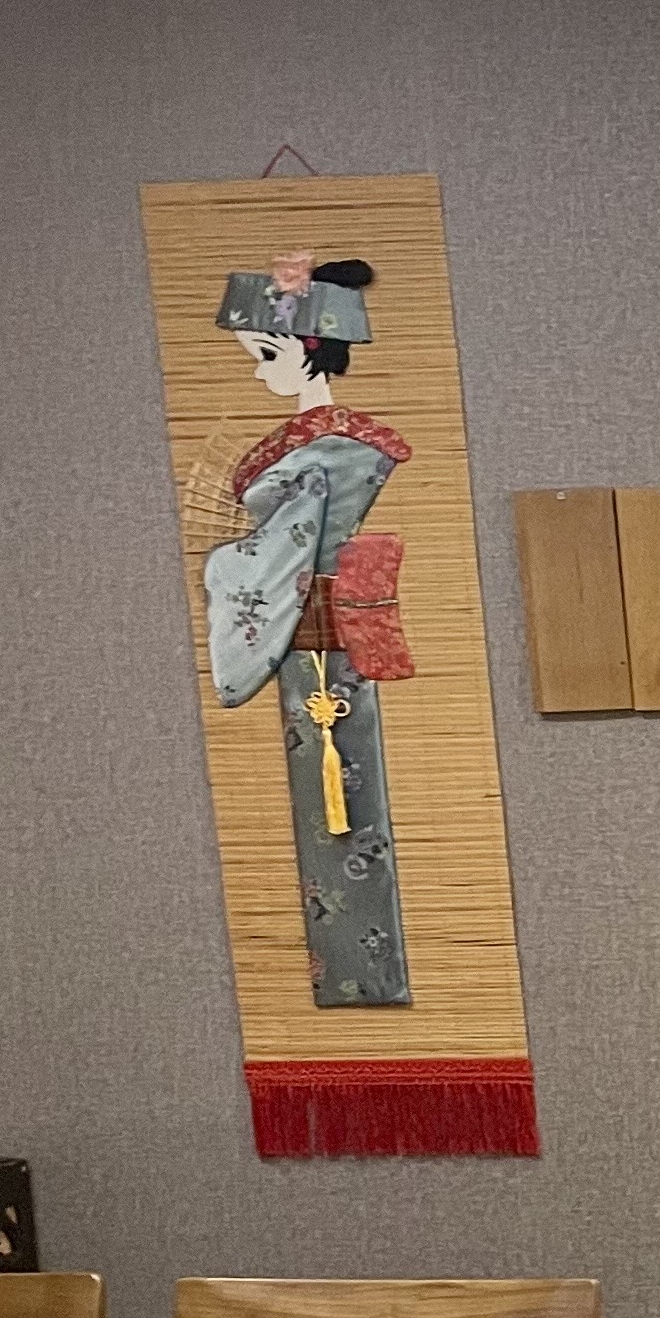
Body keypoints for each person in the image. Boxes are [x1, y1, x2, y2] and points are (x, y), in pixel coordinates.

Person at [203, 251, 414, 1006]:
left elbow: (281, 548)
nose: (261, 374)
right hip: (311, 628)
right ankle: (360, 976)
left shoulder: (337, 448)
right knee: (329, 793)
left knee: (344, 786)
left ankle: (368, 976)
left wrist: (226, 566)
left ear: (310, 350)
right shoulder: (314, 440)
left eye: (268, 355)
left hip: (319, 630)